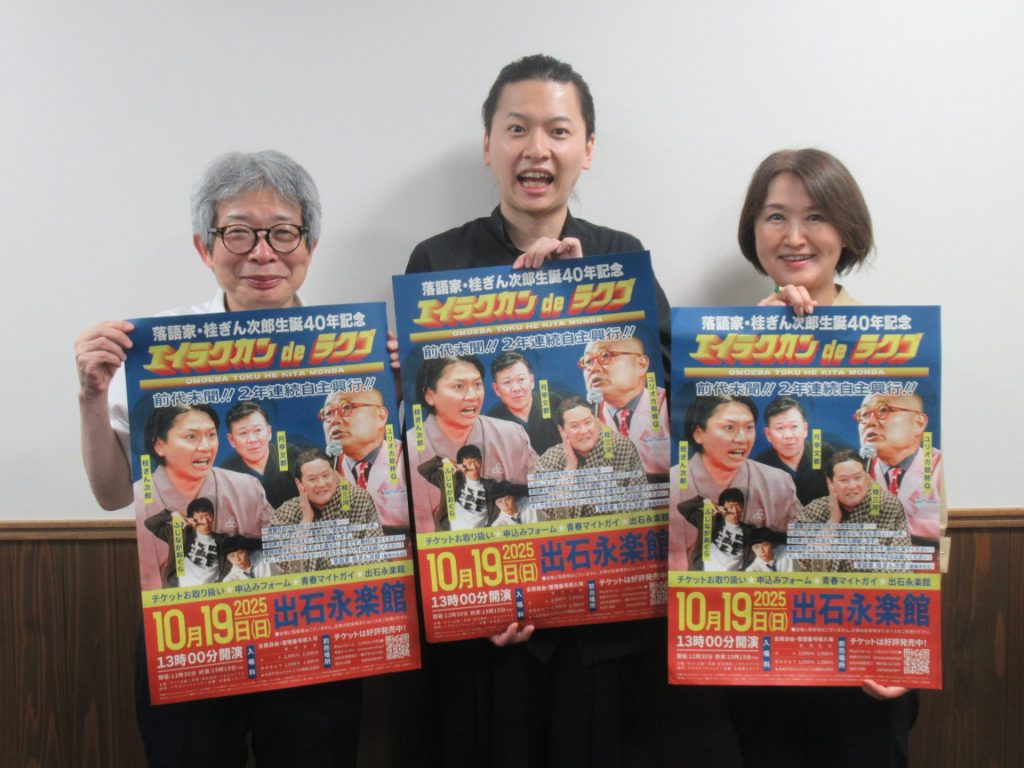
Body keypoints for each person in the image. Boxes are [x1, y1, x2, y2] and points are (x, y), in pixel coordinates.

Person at [403, 54, 670, 767]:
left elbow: (671, 404)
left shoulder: (621, 261)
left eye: (558, 130)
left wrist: (590, 304)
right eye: (516, 129)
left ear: (588, 148)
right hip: (481, 615)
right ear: (488, 146)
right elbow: (413, 434)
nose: (537, 149)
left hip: (601, 614)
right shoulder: (438, 262)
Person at [74, 150, 362, 768]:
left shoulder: (352, 350)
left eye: (282, 232)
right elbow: (111, 493)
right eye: (238, 233)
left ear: (309, 245)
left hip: (316, 619)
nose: (262, 253)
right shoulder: (160, 352)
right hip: (193, 627)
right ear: (205, 247)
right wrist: (91, 396)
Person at [728, 148, 918, 768]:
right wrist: (742, 355)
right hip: (762, 650)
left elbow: (922, 515)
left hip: (867, 653)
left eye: (815, 216)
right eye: (775, 216)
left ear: (847, 230)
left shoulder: (893, 347)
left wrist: (908, 648)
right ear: (754, 230)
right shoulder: (720, 350)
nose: (794, 236)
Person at [135, 404, 273, 591]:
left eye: (211, 435)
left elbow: (271, 554)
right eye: (191, 437)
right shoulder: (139, 498)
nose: (206, 446)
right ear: (160, 445)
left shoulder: (247, 487)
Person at [668, 395, 800, 572]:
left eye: (749, 427)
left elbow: (796, 550)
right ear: (698, 433)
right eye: (729, 427)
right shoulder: (672, 484)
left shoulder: (778, 482)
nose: (742, 438)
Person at [407, 355, 536, 534]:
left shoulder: (512, 434)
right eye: (458, 386)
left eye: (477, 385)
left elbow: (539, 497)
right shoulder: (407, 448)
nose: (472, 395)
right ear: (430, 395)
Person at [795, 449, 911, 573]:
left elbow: (899, 564)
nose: (852, 486)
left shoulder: (887, 505)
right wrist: (833, 521)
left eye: (858, 478)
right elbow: (805, 560)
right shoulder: (816, 509)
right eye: (844, 480)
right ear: (830, 482)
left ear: (866, 478)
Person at [269, 449, 384, 573]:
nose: (322, 484)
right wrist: (306, 521)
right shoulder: (287, 512)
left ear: (334, 474)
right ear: (299, 483)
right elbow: (288, 568)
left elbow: (375, 555)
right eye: (312, 479)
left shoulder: (358, 499)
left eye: (326, 476)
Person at [532, 395, 646, 519]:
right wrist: (570, 467)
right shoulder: (550, 459)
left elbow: (639, 501)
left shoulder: (621, 447)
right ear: (562, 430)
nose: (584, 431)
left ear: (596, 421)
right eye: (574, 426)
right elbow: (554, 513)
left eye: (588, 423)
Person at [857, 392, 944, 548]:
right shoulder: (856, 471)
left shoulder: (940, 467)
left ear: (919, 423)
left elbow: (941, 525)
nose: (869, 422)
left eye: (883, 410)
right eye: (864, 414)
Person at [579, 333, 669, 481]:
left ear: (641, 365)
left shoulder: (666, 404)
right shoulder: (583, 416)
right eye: (588, 361)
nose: (593, 368)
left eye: (605, 356)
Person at [320, 388, 409, 534]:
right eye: (328, 413)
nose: (334, 420)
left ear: (380, 416)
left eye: (346, 408)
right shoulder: (322, 470)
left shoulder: (409, 457)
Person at [417, 444, 528, 530]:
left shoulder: (490, 486)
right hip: (453, 537)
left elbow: (515, 489)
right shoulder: (449, 480)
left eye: (477, 462)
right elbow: (423, 469)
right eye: (469, 463)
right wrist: (444, 461)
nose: (474, 467)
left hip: (480, 538)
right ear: (460, 465)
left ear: (481, 463)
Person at [220, 400, 304, 508]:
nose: (252, 439)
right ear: (231, 440)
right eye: (243, 433)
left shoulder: (290, 454)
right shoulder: (226, 473)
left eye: (258, 430)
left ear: (269, 432)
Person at [753, 395, 835, 505]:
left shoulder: (823, 453)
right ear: (768, 434)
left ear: (805, 429)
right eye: (780, 428)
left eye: (794, 426)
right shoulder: (760, 466)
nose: (788, 435)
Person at [487, 351, 562, 454]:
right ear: (496, 389)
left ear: (532, 381)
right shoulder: (492, 420)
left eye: (521, 379)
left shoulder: (551, 402)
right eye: (507, 382)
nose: (516, 388)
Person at [143, 497, 229, 586]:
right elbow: (150, 523)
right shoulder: (178, 534)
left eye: (209, 516)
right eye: (201, 517)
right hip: (182, 591)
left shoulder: (223, 540)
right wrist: (173, 514)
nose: (206, 521)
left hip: (211, 591)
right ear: (191, 519)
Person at [678, 487, 754, 571]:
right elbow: (682, 507)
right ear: (722, 506)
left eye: (739, 506)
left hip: (734, 577)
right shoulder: (708, 520)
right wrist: (705, 502)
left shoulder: (750, 531)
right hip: (705, 575)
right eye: (731, 506)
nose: (735, 510)